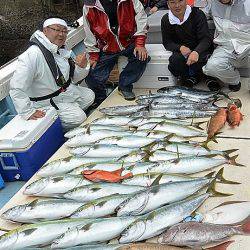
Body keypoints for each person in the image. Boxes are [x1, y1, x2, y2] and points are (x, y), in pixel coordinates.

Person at [10, 18, 95, 130]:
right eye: (57, 30)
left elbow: (73, 79)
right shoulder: (32, 54)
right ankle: (61, 127)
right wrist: (27, 112)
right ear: (45, 31)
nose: (61, 34)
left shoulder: (60, 50)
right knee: (79, 118)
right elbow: (16, 87)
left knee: (90, 96)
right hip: (46, 102)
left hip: (64, 92)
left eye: (65, 31)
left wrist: (82, 67)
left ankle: (70, 112)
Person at [83, 0, 150, 104]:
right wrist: (93, 54)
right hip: (107, 46)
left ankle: (124, 86)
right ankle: (101, 99)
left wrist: (140, 43)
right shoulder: (89, 5)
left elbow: (141, 19)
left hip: (128, 42)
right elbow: (88, 31)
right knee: (91, 75)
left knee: (142, 57)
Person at [161, 0, 213, 87]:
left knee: (206, 58)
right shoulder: (166, 19)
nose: (177, 5)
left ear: (186, 1)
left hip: (200, 48)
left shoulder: (198, 14)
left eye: (180, 1)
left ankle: (208, 76)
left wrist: (196, 51)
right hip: (183, 51)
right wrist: (180, 48)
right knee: (175, 61)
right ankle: (190, 76)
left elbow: (206, 38)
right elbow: (167, 43)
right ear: (168, 4)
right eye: (173, 2)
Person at [202, 0, 250, 91]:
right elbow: (200, 15)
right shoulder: (213, 3)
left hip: (247, 45)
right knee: (212, 67)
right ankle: (234, 81)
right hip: (226, 46)